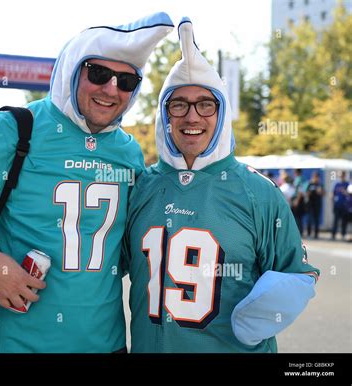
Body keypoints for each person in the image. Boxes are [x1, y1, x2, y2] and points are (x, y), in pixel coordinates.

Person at [0, 13, 174, 353]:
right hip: (10, 344)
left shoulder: (128, 152)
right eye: (99, 73)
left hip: (104, 344)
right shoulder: (14, 128)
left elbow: (125, 246)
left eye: (127, 82)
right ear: (72, 69)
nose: (112, 89)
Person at [123, 18, 319, 353]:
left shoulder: (259, 193)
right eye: (179, 104)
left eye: (205, 104)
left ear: (221, 112)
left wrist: (263, 313)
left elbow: (299, 274)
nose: (192, 116)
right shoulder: (140, 187)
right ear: (164, 114)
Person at [331, 171, 349, 240]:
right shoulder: (336, 184)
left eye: (342, 175)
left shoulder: (347, 184)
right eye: (340, 175)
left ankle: (343, 234)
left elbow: (349, 194)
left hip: (344, 205)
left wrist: (344, 191)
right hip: (337, 205)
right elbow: (332, 193)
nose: (341, 176)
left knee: (344, 221)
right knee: (335, 220)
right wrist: (332, 200)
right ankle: (333, 234)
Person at [305, 171, 323, 239]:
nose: (315, 178)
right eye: (314, 177)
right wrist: (309, 192)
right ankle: (309, 234)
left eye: (317, 177)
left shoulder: (320, 184)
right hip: (310, 204)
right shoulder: (309, 184)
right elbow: (306, 193)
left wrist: (320, 191)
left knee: (316, 220)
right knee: (309, 219)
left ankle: (316, 234)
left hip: (317, 204)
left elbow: (323, 193)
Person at [291, 169, 306, 236]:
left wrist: (297, 200)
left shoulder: (299, 179)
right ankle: (300, 231)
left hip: (298, 200)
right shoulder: (302, 179)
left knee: (297, 217)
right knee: (298, 217)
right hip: (300, 199)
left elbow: (300, 190)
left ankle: (299, 231)